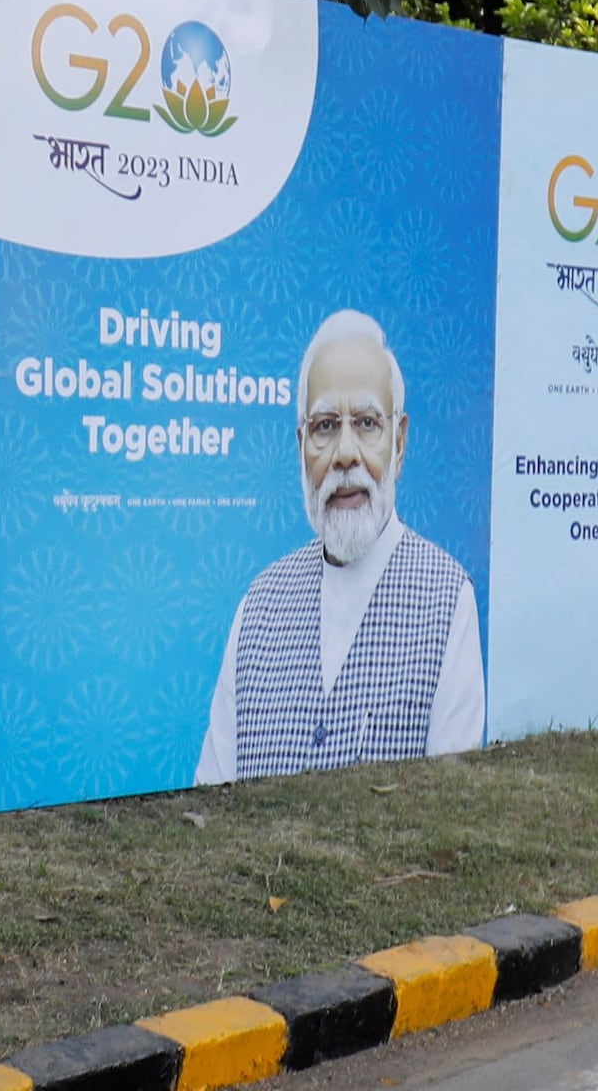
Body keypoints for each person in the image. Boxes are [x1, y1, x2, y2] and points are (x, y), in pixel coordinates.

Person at [194, 309, 483, 781]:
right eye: (326, 426)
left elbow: (449, 819)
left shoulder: (448, 600)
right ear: (300, 446)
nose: (346, 453)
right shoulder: (258, 605)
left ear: (400, 442)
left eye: (367, 423)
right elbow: (209, 796)